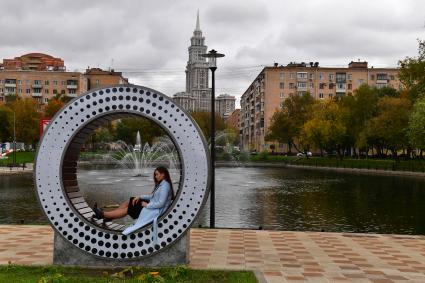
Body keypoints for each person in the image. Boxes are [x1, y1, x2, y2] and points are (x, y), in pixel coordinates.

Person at [92, 166, 174, 236]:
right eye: (155, 175)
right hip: (153, 206)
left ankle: (103, 214)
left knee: (129, 209)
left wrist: (147, 205)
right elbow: (152, 196)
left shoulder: (165, 186)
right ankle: (109, 216)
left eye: (157, 174)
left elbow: (161, 203)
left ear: (163, 174)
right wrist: (139, 196)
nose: (155, 176)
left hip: (155, 210)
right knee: (131, 201)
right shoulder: (162, 184)